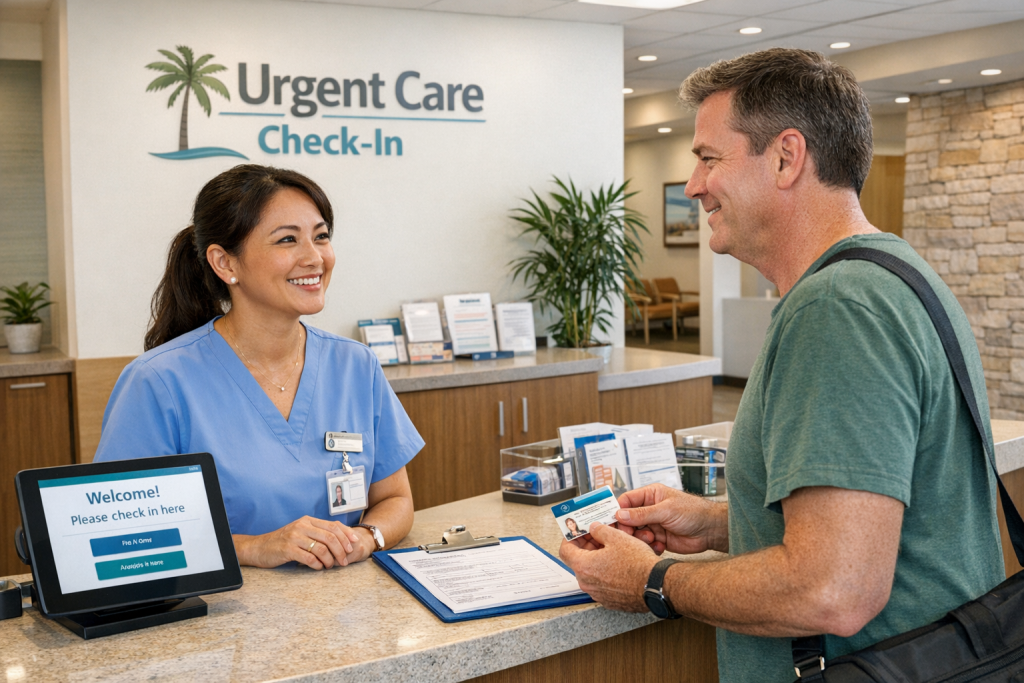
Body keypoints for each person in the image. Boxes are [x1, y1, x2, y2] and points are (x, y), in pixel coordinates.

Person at [559, 48, 1005, 682]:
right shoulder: (896, 275)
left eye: (709, 158)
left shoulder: (837, 306)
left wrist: (653, 581)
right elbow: (876, 523)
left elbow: (835, 590)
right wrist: (717, 522)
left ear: (787, 157)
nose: (692, 186)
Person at [95, 164, 424, 571]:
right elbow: (126, 538)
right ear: (225, 263)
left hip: (348, 615)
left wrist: (364, 537)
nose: (314, 257)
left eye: (321, 237)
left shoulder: (355, 365)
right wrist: (254, 547)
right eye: (287, 239)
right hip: (223, 621)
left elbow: (396, 500)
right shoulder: (159, 381)